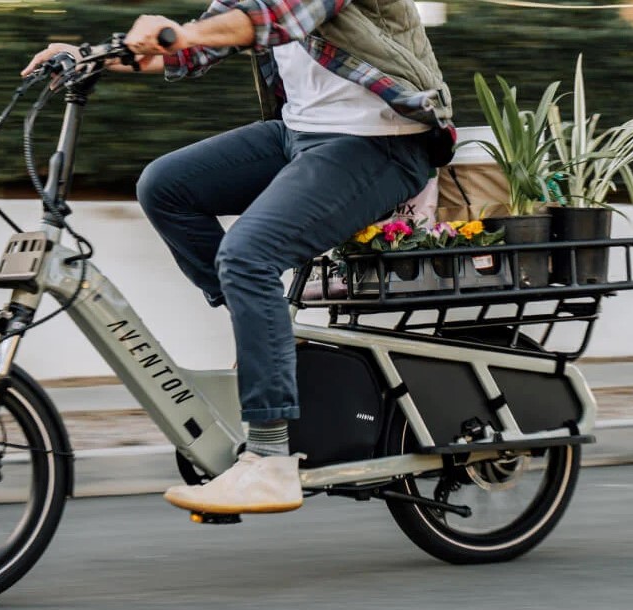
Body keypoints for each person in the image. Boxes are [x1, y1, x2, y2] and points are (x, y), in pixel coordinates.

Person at [23, 1, 454, 516]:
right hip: (302, 135)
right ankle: (267, 342)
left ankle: (270, 461)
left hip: (383, 142)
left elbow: (268, 20)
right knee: (166, 187)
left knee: (249, 255)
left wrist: (177, 33)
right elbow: (192, 48)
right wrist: (91, 56)